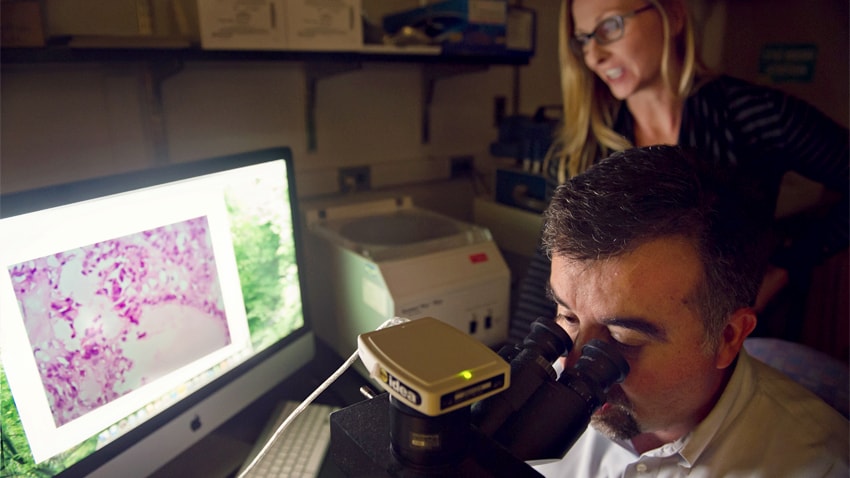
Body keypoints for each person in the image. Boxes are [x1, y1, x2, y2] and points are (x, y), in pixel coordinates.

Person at [510, 0, 849, 345]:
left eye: (609, 27)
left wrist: (787, 264)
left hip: (733, 348)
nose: (594, 55)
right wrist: (520, 365)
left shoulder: (754, 116)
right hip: (618, 352)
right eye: (582, 39)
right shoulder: (585, 148)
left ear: (672, 15)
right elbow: (550, 265)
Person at [530, 145, 849, 477]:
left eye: (624, 338)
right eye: (568, 317)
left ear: (728, 336)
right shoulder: (537, 396)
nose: (572, 366)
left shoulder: (822, 467)